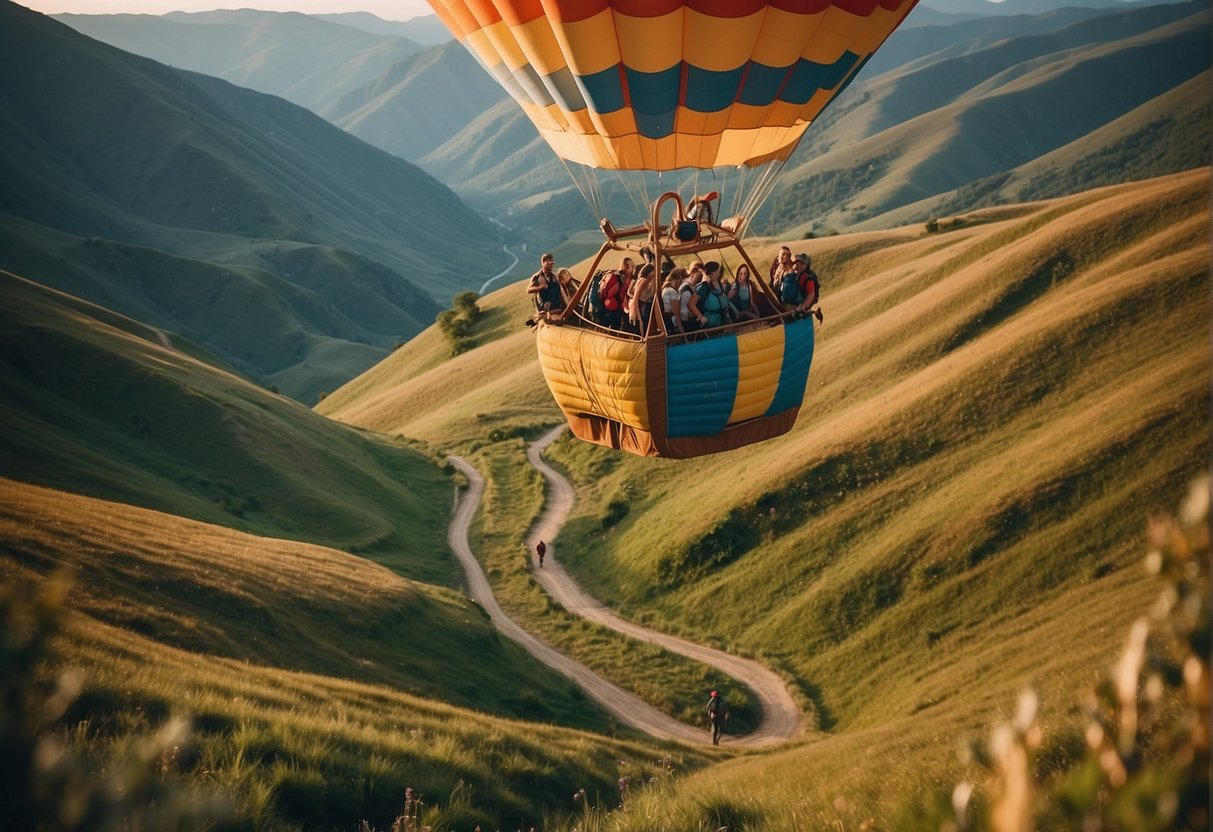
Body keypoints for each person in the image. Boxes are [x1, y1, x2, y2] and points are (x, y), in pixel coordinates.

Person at [779, 252, 823, 321]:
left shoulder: (806, 278)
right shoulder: (792, 275)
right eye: (797, 262)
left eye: (802, 263)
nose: (798, 264)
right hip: (788, 308)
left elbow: (811, 294)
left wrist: (803, 305)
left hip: (797, 312)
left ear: (806, 266)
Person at [692, 261, 731, 330]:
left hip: (723, 319)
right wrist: (701, 317)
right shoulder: (703, 288)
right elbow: (691, 304)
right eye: (717, 272)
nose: (718, 274)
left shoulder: (719, 284)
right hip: (711, 321)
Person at [600, 257, 633, 330]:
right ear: (627, 266)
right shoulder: (622, 278)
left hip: (612, 305)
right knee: (615, 326)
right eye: (631, 266)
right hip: (617, 305)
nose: (632, 269)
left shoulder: (617, 275)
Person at [627, 263, 657, 335]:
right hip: (642, 305)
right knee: (643, 326)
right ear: (649, 272)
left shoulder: (646, 281)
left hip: (643, 306)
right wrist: (639, 318)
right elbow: (636, 298)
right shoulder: (644, 281)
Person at [662, 267, 687, 335]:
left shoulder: (665, 289)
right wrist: (682, 332)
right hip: (672, 322)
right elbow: (676, 313)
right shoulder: (672, 292)